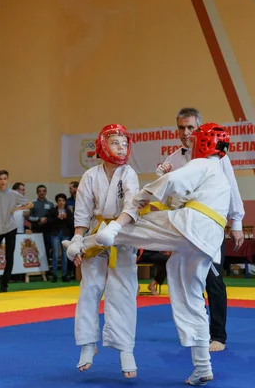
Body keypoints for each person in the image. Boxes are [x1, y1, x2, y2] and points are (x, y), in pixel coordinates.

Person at [77, 123, 231, 386]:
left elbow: (171, 183)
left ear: (203, 143)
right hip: (207, 241)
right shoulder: (219, 174)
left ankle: (88, 241)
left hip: (190, 226)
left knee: (131, 226)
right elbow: (180, 197)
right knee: (190, 298)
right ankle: (202, 367)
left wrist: (146, 195)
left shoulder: (202, 165)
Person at [156, 107, 245, 352]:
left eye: (190, 128)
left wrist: (236, 223)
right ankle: (197, 331)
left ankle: (218, 335)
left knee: (213, 278)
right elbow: (165, 198)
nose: (185, 133)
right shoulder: (172, 160)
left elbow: (231, 189)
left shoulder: (218, 156)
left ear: (199, 129)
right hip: (183, 228)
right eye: (181, 127)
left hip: (211, 226)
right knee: (186, 280)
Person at [62, 124, 140, 379]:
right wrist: (76, 240)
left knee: (123, 292)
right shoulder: (90, 176)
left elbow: (133, 206)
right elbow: (82, 212)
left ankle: (125, 349)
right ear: (103, 146)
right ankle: (87, 343)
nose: (122, 148)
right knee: (89, 289)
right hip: (96, 234)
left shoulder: (129, 173)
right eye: (116, 143)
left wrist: (116, 228)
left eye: (125, 143)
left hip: (122, 233)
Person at [47, 193, 74, 281]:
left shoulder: (68, 211)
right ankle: (54, 275)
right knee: (55, 254)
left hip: (65, 233)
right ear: (57, 202)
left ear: (65, 201)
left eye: (63, 200)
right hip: (55, 233)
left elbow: (72, 223)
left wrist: (67, 217)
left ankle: (64, 275)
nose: (61, 202)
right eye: (59, 201)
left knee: (65, 255)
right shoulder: (53, 210)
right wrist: (57, 218)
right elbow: (49, 221)